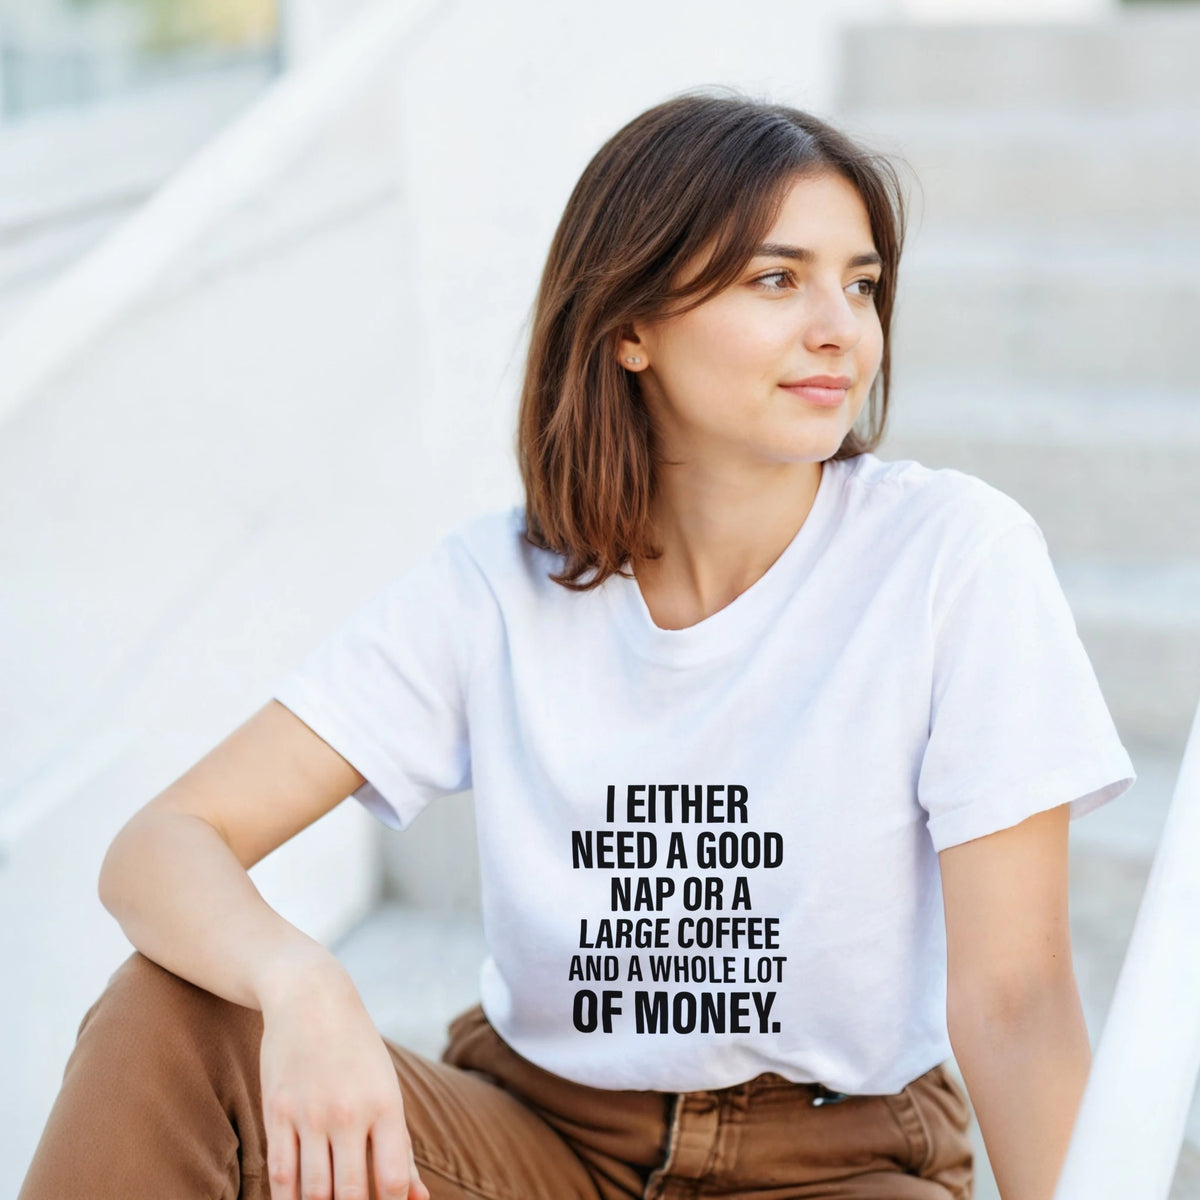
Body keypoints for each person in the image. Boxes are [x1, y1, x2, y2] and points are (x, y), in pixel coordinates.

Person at [19, 89, 1136, 1200]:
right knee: (171, 1012)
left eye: (861, 283)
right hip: (536, 1140)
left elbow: (1016, 1000)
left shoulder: (951, 558)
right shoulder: (497, 586)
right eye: (776, 279)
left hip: (835, 1160)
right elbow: (163, 842)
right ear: (629, 326)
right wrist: (299, 978)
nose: (840, 328)